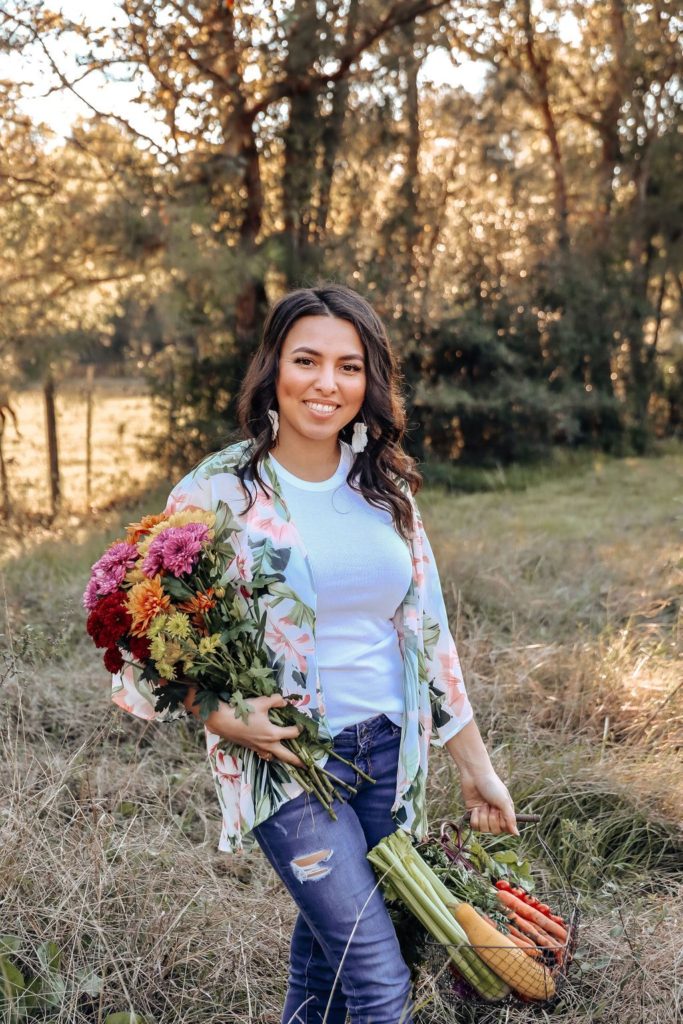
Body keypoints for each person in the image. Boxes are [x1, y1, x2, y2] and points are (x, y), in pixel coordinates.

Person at [111, 284, 518, 1024]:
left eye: (348, 366)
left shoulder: (384, 486)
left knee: (326, 967)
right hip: (290, 764)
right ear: (273, 368)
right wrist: (221, 716)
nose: (326, 384)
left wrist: (476, 768)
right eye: (306, 360)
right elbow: (138, 636)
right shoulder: (218, 490)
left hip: (388, 757)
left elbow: (429, 636)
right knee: (376, 978)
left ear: (370, 383)